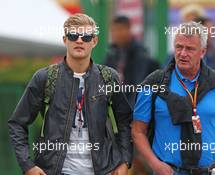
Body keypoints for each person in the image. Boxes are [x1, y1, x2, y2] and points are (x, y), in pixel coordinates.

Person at [8, 13, 132, 175]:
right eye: (73, 35)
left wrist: (124, 161)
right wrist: (28, 166)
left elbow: (125, 121)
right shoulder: (45, 77)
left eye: (86, 37)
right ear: (65, 39)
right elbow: (17, 123)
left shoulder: (108, 78)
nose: (79, 40)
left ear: (94, 41)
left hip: (103, 170)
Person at [132, 21, 215, 175]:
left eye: (190, 49)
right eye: (179, 47)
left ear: (203, 52)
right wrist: (155, 163)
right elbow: (138, 130)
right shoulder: (153, 83)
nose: (183, 53)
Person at [104, 16, 160, 107]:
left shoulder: (141, 56)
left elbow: (139, 87)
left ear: (129, 30)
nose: (116, 34)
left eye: (120, 29)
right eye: (113, 30)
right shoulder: (111, 56)